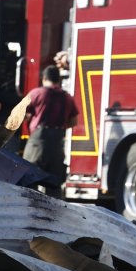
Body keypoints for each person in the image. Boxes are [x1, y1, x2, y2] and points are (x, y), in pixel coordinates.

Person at [22, 65, 79, 197]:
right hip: (57, 144)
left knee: (28, 178)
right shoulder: (67, 98)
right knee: (54, 183)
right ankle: (55, 214)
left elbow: (20, 114)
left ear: (44, 78)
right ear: (58, 80)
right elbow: (74, 121)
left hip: (38, 143)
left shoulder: (36, 93)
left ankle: (29, 211)